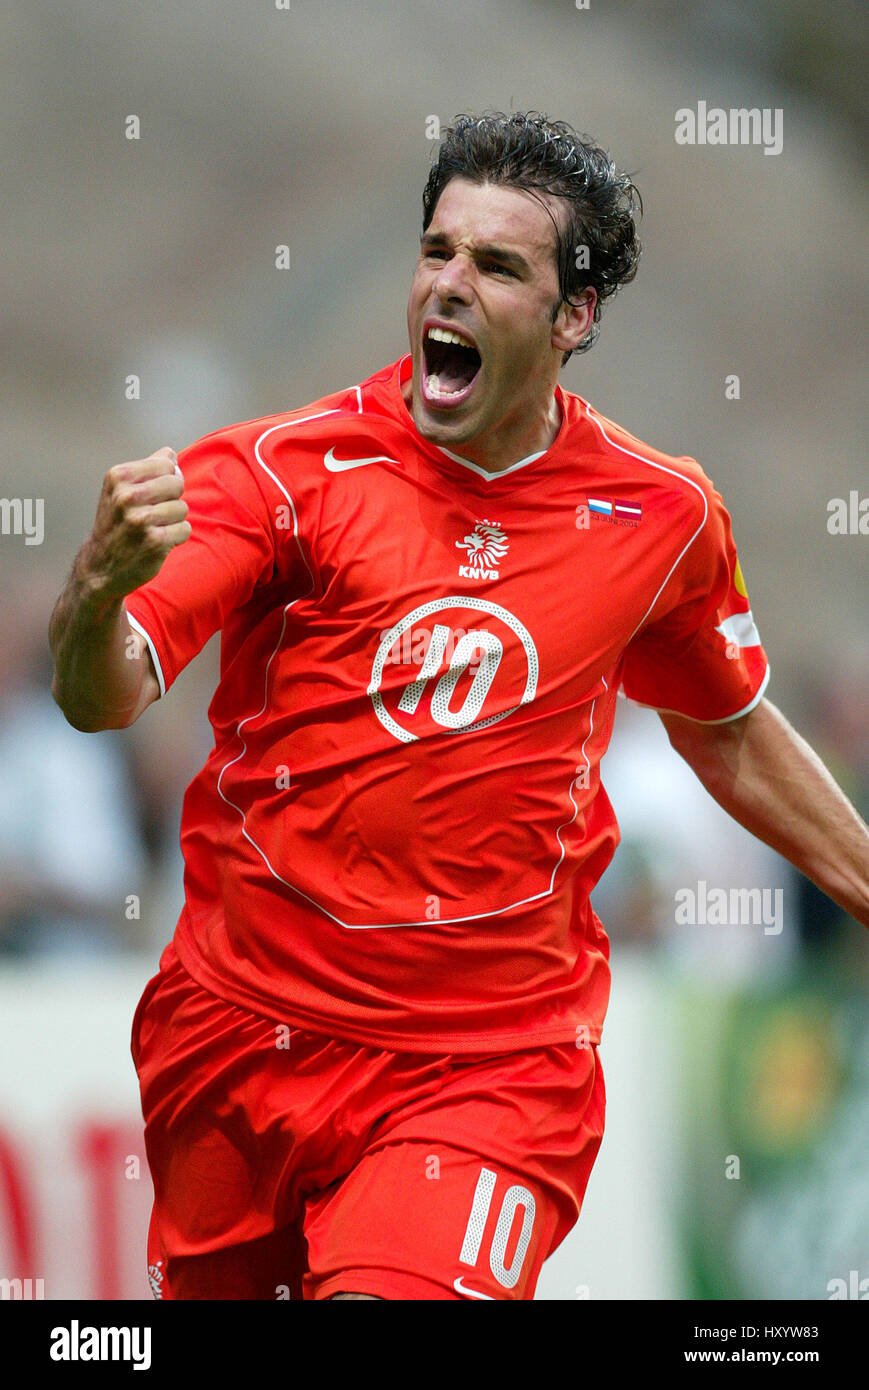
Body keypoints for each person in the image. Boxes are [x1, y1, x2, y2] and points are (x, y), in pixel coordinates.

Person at [48, 112, 869, 1301]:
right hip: (239, 1033)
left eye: (495, 266)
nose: (447, 285)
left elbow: (725, 723)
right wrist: (90, 594)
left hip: (486, 1064)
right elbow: (106, 692)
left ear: (572, 316)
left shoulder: (659, 516)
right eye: (436, 252)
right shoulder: (282, 472)